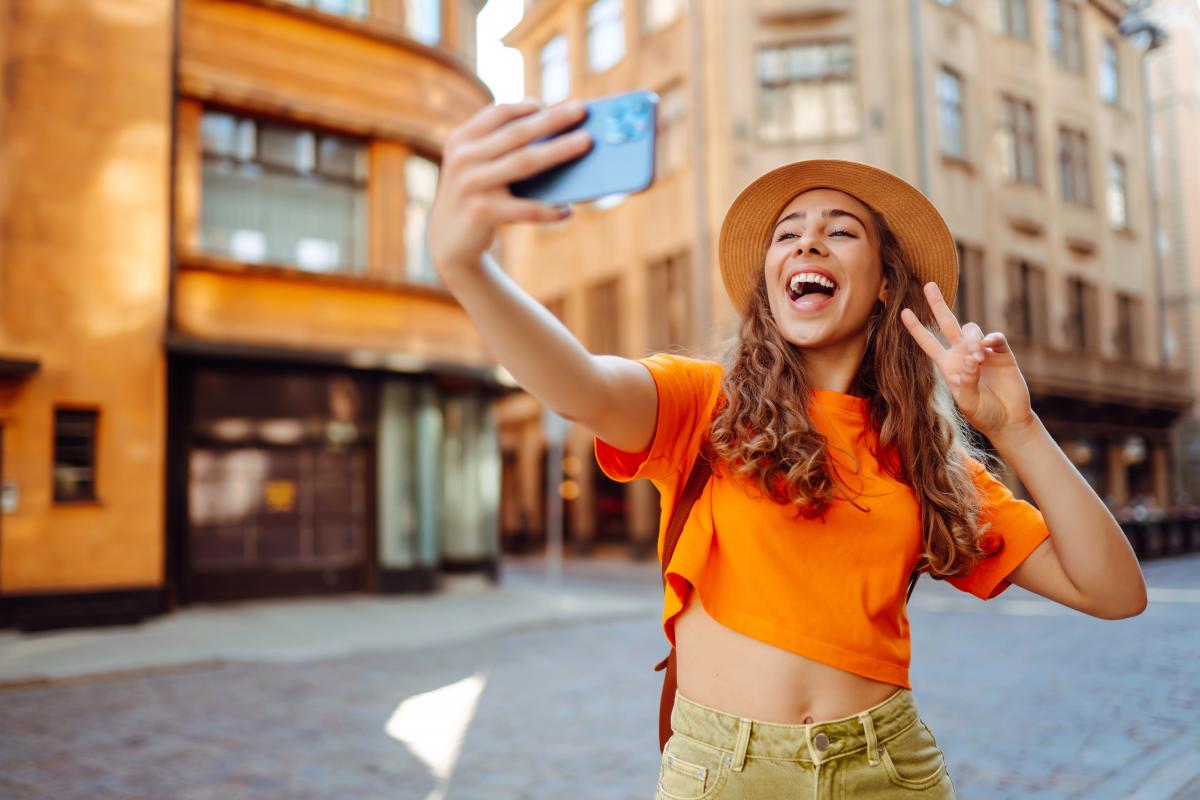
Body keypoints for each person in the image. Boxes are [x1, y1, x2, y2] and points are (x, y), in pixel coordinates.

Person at [428, 99, 1148, 799]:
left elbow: (1113, 593)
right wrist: (469, 269)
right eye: (788, 234)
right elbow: (579, 386)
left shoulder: (927, 458)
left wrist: (1016, 429)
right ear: (771, 285)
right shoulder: (703, 404)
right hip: (725, 773)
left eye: (840, 232)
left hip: (889, 770)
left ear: (884, 284)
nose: (808, 243)